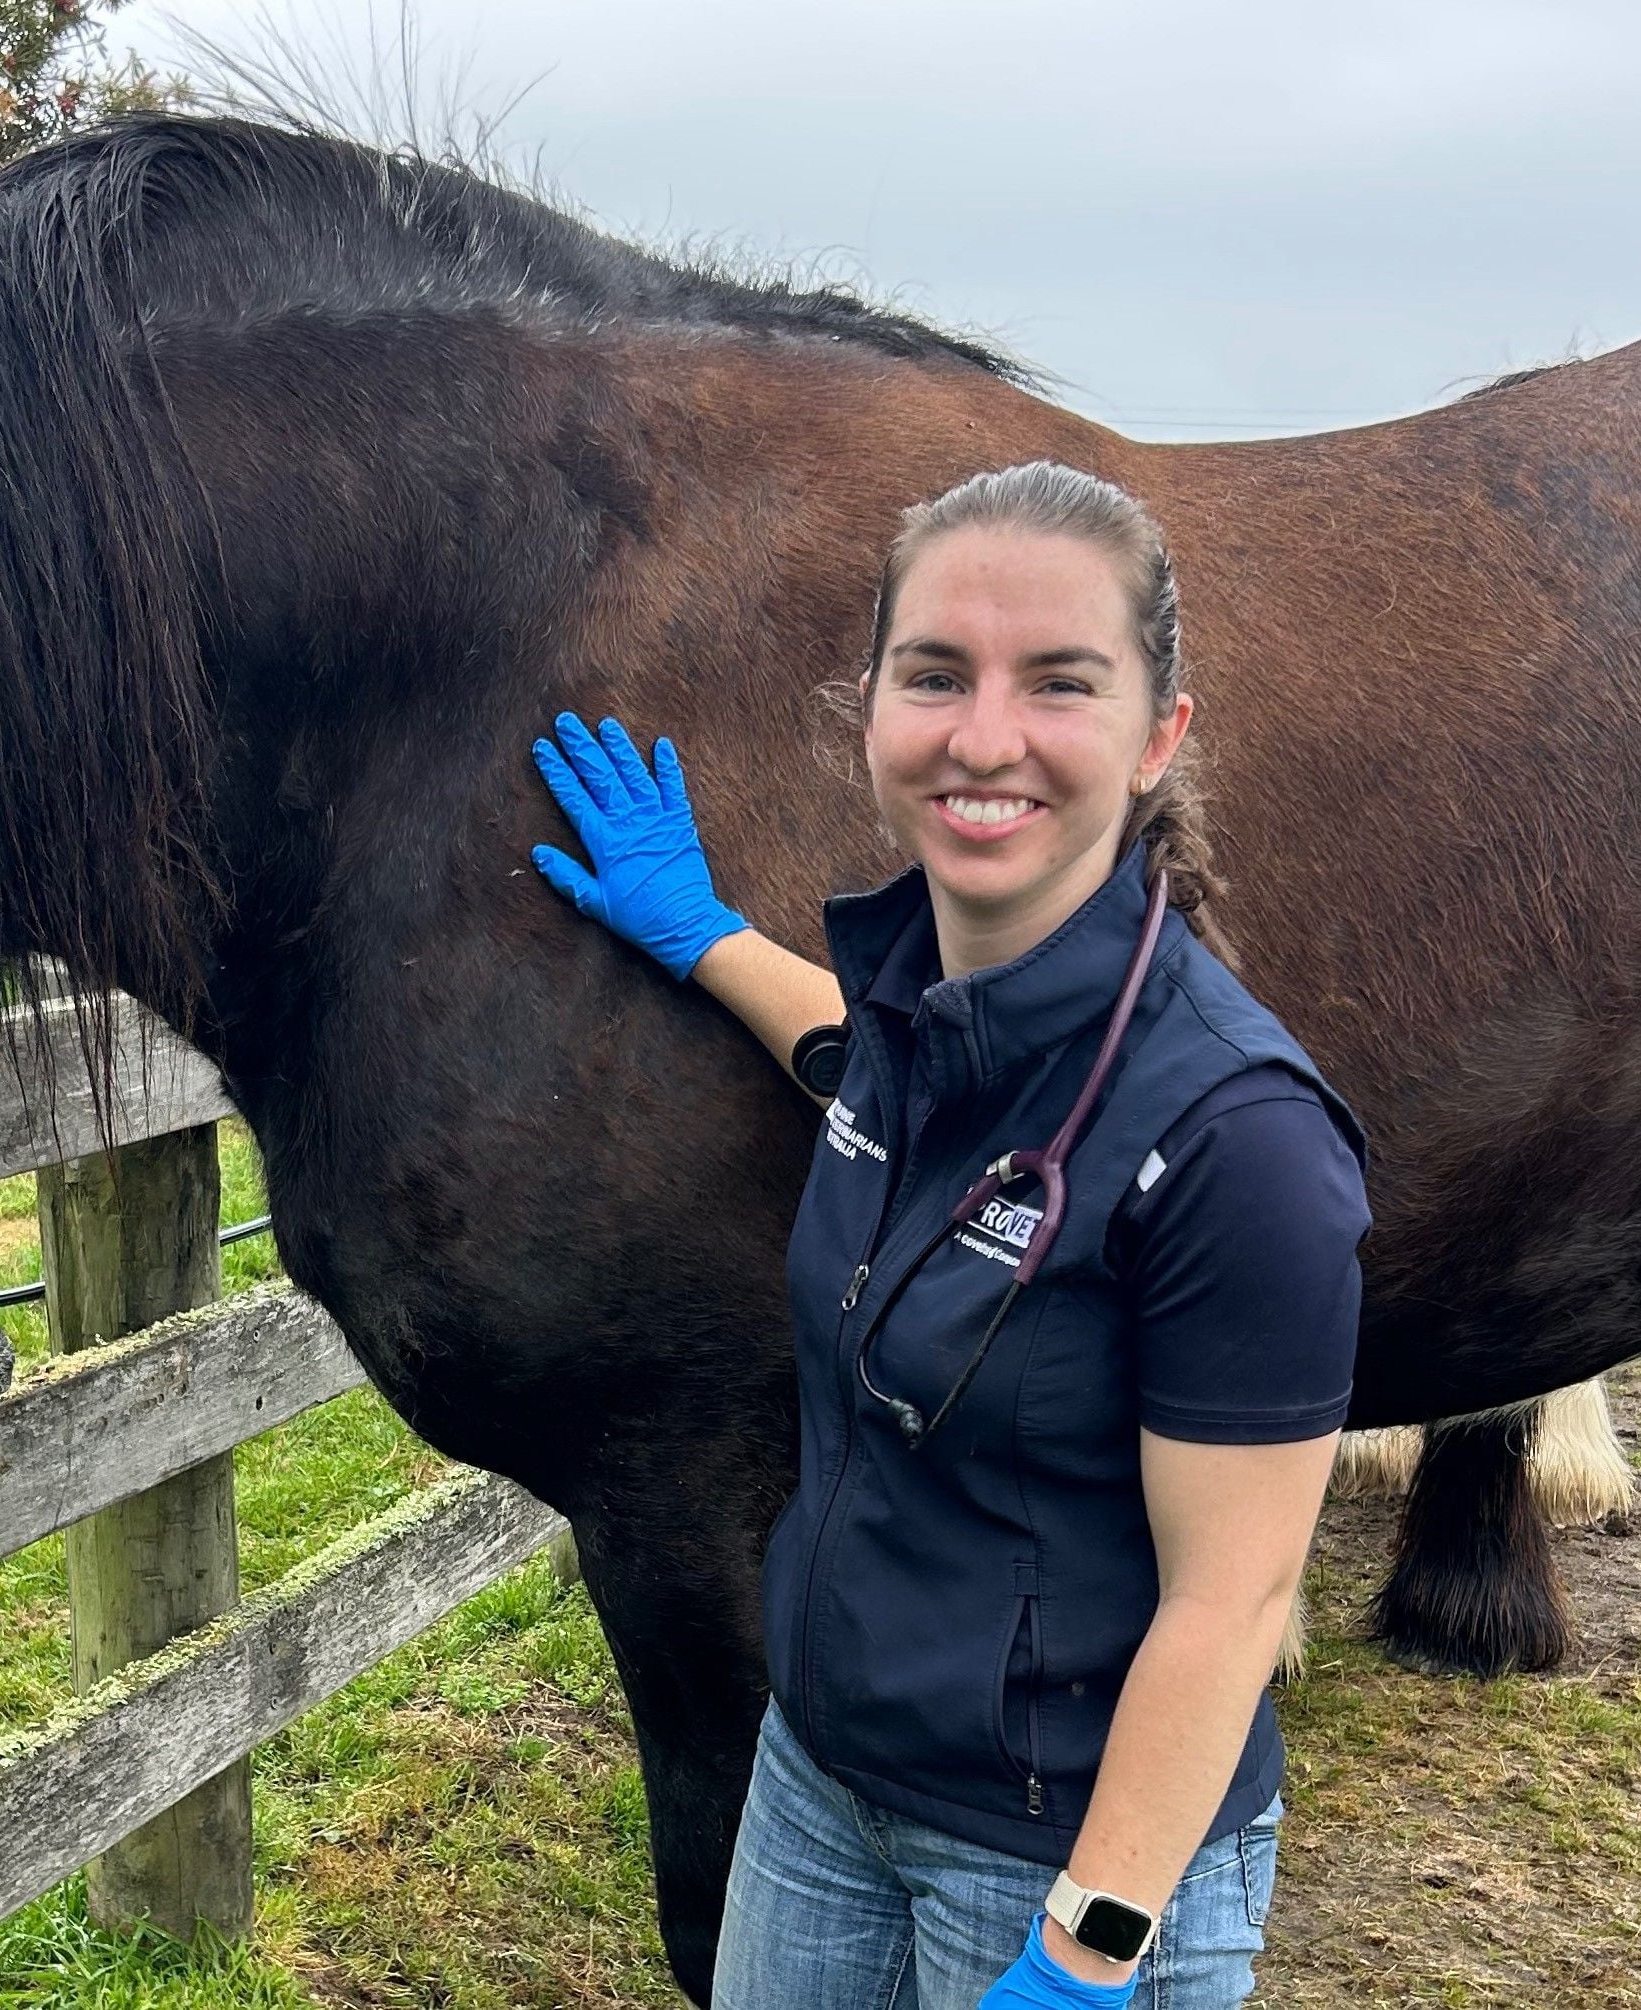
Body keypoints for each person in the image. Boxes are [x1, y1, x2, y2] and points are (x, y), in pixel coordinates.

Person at [528, 462, 1367, 2010]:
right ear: (868, 715)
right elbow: (854, 1060)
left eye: (1060, 682)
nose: (984, 736)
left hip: (1055, 1851)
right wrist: (702, 932)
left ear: (1159, 733)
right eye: (934, 675)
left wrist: (1087, 1949)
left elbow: (1234, 1602)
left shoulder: (1239, 1139)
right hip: (820, 1783)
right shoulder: (924, 1016)